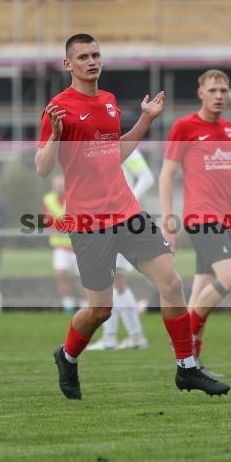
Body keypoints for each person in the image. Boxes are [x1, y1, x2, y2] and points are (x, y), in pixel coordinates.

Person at [36, 33, 230, 399]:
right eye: (83, 57)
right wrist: (56, 137)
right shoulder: (57, 108)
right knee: (100, 310)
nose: (91, 62)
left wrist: (145, 120)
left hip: (127, 212)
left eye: (95, 55)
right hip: (89, 222)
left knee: (171, 283)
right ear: (67, 64)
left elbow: (115, 154)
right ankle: (67, 356)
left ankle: (187, 367)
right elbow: (43, 168)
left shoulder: (108, 101)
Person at [160, 68, 231, 369]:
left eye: (223, 91)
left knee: (203, 288)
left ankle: (191, 361)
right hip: (201, 218)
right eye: (212, 90)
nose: (219, 96)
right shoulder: (185, 127)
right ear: (201, 93)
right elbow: (166, 174)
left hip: (223, 220)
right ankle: (185, 339)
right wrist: (168, 220)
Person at [86, 148, 153, 350]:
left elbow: (147, 178)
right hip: (106, 220)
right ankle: (124, 337)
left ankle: (120, 337)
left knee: (115, 281)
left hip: (120, 221)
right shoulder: (98, 149)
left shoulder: (125, 147)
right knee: (115, 280)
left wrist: (127, 202)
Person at [42, 174, 80, 312]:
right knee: (61, 275)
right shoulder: (48, 199)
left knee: (84, 278)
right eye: (56, 185)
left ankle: (84, 305)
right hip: (60, 247)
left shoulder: (75, 196)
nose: (59, 187)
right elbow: (48, 221)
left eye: (61, 185)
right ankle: (68, 305)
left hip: (79, 246)